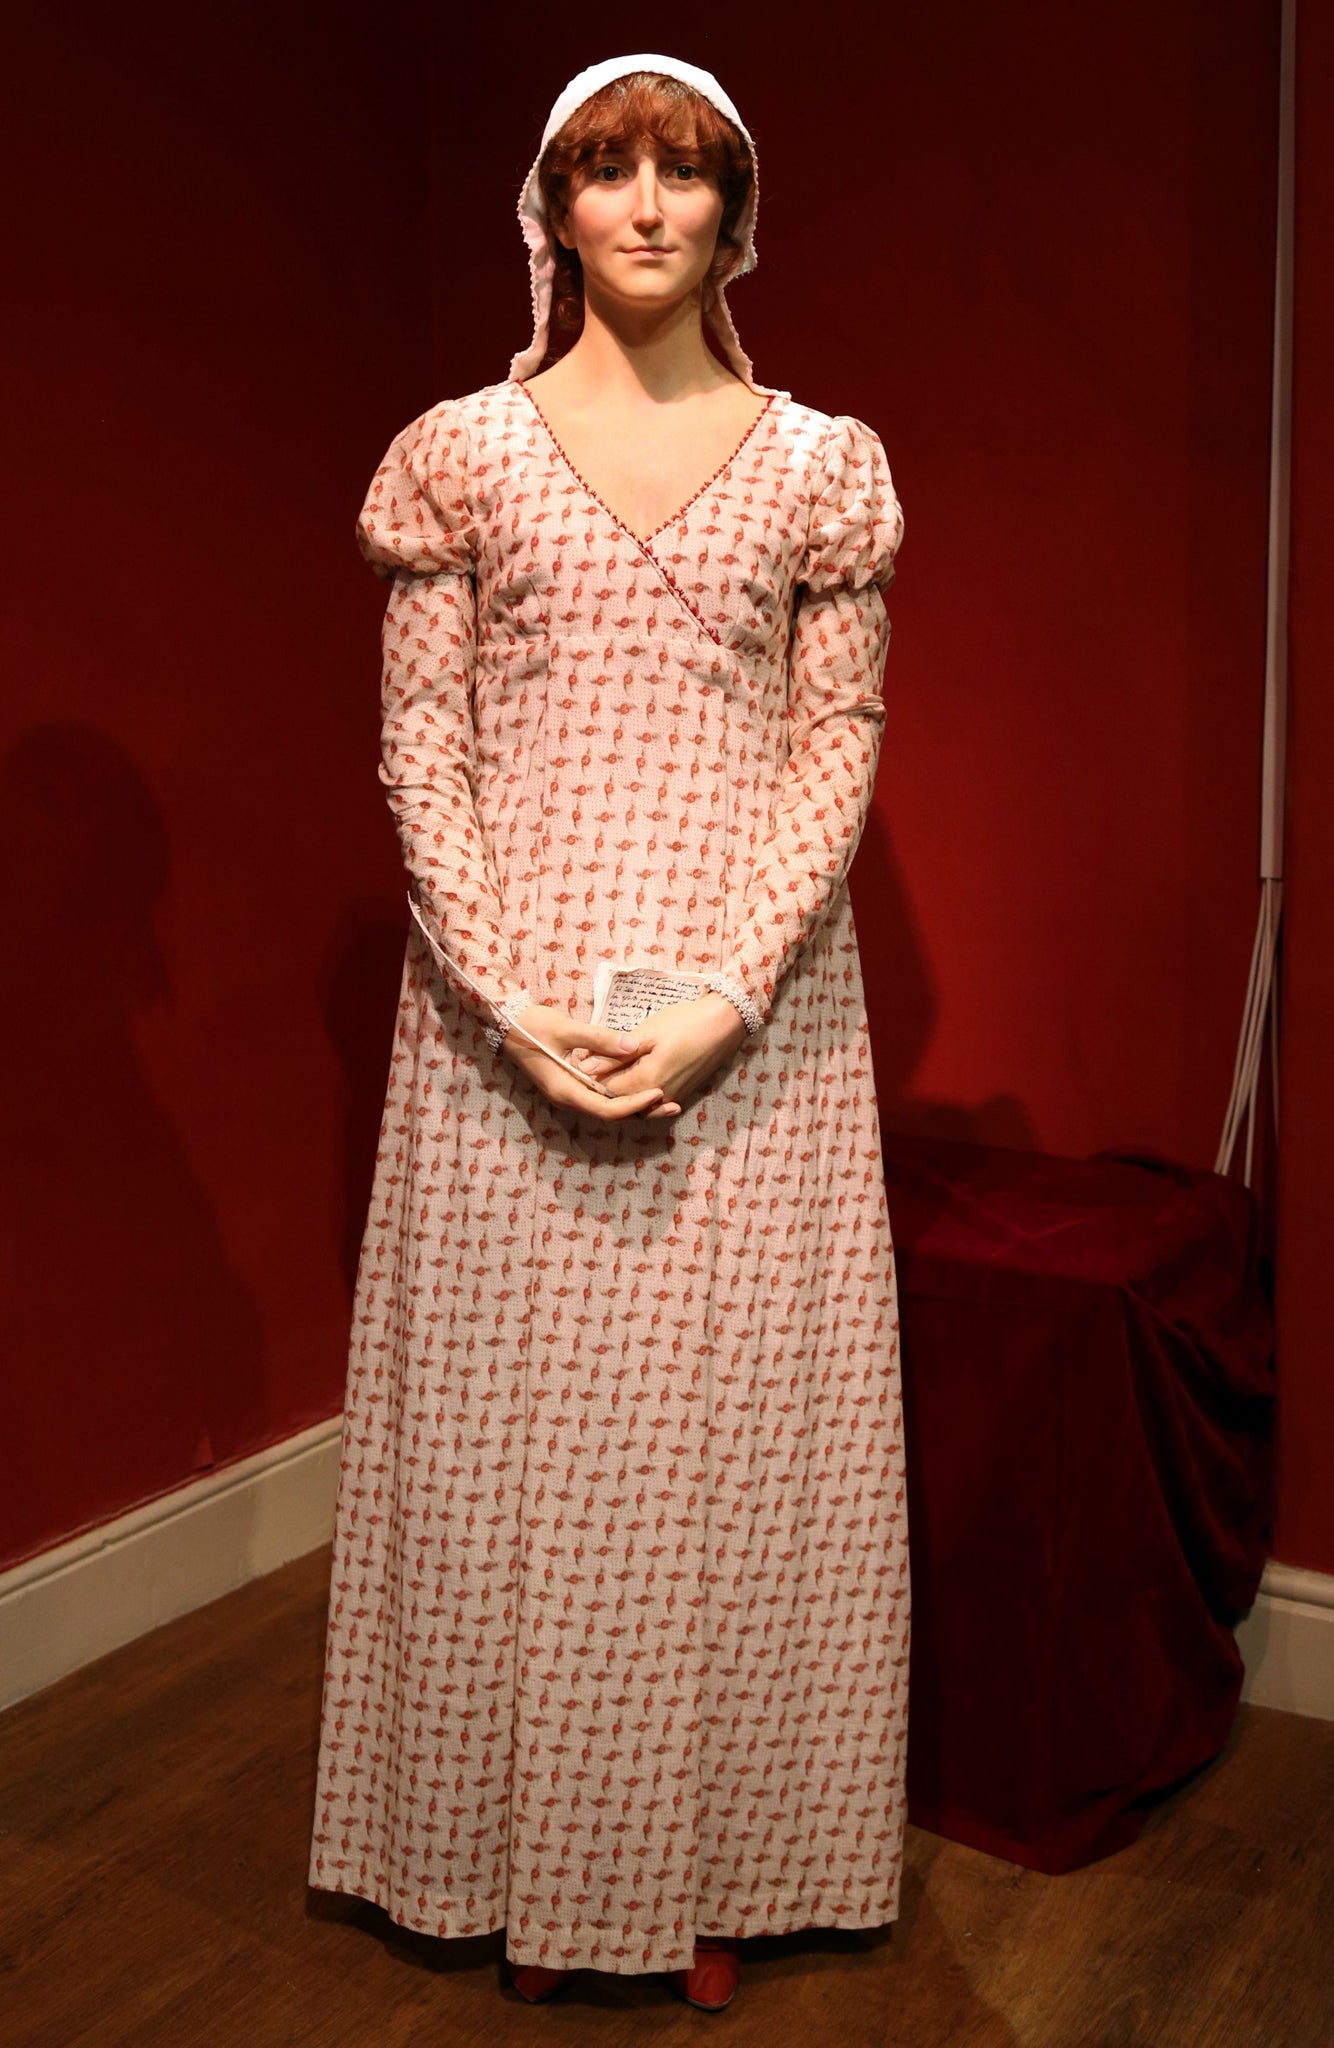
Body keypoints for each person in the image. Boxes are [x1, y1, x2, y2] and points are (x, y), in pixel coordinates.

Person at [307, 51, 910, 2016]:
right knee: (521, 1454)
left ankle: (713, 1854)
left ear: (738, 213)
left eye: (682, 173)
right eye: (605, 172)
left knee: (727, 1453)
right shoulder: (458, 455)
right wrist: (498, 986)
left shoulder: (823, 467)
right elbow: (425, 743)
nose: (644, 206)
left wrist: (733, 987)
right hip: (510, 1024)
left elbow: (835, 746)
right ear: (550, 208)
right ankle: (503, 1852)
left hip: (753, 1028)